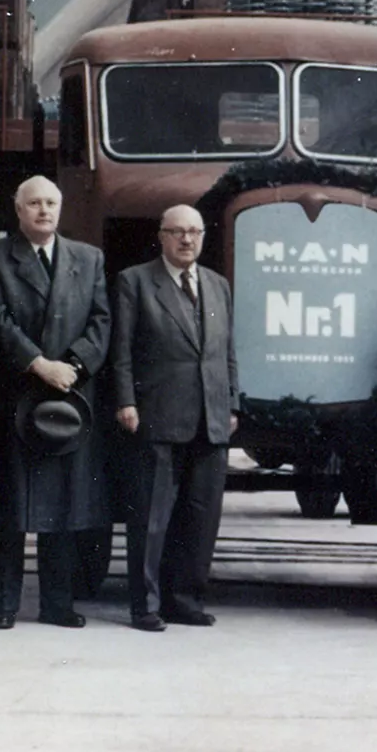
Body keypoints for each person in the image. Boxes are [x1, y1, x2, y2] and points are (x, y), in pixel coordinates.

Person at [0, 176, 112, 630]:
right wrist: (39, 365)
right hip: (18, 396)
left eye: (51, 202)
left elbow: (102, 322)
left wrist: (73, 368)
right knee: (12, 507)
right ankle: (4, 603)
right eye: (34, 203)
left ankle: (57, 603)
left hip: (71, 398)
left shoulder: (89, 258)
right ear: (18, 209)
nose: (44, 210)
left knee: (63, 506)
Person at [109, 205, 239, 632]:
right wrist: (126, 401)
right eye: (178, 232)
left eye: (195, 232)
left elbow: (226, 352)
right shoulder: (135, 282)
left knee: (200, 518)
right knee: (151, 516)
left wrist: (232, 403)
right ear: (161, 236)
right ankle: (145, 605)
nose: (187, 240)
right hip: (158, 415)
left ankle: (184, 599)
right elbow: (122, 350)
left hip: (212, 417)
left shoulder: (218, 286)